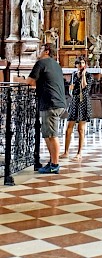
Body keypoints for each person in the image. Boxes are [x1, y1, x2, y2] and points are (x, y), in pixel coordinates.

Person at [14, 43, 65, 174]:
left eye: (41, 49)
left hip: (51, 103)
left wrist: (18, 79)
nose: (39, 52)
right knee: (48, 134)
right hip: (55, 102)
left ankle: (55, 164)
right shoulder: (55, 64)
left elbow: (30, 82)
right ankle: (52, 162)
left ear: (47, 51)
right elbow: (44, 81)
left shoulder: (41, 63)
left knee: (52, 135)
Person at [61, 56, 92, 160]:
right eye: (78, 63)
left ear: (85, 64)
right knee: (69, 127)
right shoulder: (74, 74)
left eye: (82, 63)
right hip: (75, 101)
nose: (80, 65)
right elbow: (71, 86)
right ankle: (66, 151)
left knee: (80, 129)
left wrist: (83, 76)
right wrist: (71, 87)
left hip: (83, 102)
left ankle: (79, 153)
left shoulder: (88, 75)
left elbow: (84, 87)